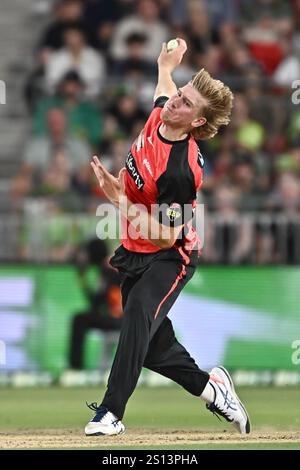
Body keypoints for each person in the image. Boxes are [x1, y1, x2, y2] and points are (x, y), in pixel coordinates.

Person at [86, 38, 251, 436]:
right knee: (155, 350)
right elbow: (164, 90)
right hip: (133, 248)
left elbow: (167, 238)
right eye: (181, 94)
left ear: (196, 122)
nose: (176, 102)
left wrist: (120, 201)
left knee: (139, 313)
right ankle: (213, 390)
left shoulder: (182, 170)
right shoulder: (162, 113)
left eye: (186, 104)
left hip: (171, 257)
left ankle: (111, 412)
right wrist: (164, 66)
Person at [69, 238, 123, 370]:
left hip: (118, 318)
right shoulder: (107, 269)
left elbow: (97, 302)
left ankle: (75, 368)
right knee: (81, 319)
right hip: (117, 316)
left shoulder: (109, 270)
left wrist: (83, 280)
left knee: (79, 320)